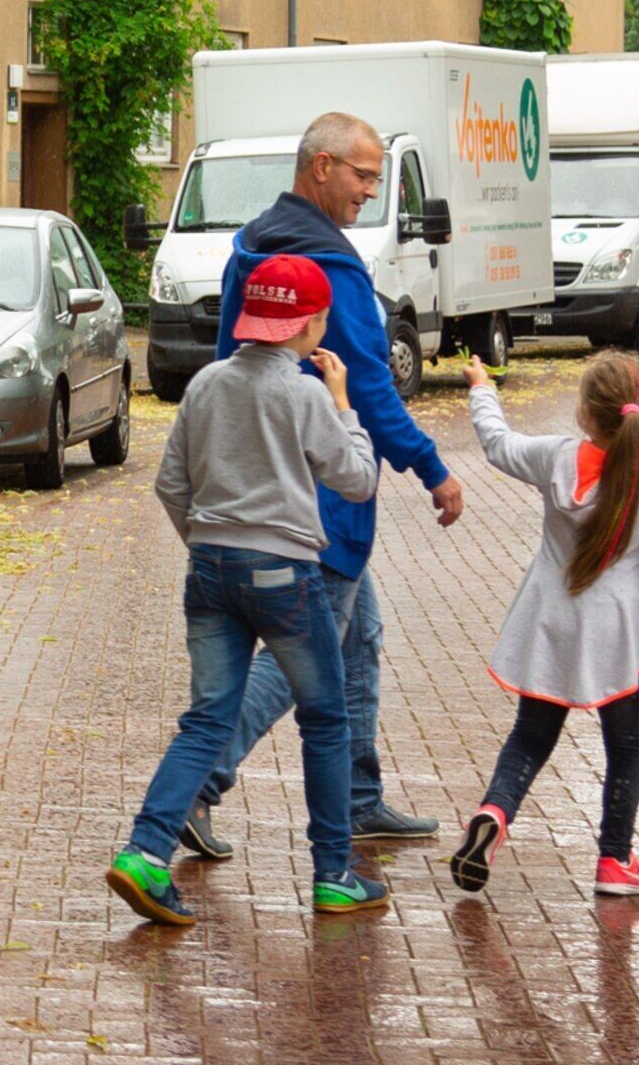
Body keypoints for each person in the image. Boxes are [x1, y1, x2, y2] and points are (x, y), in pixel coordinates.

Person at [171, 112, 466, 863]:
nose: (371, 190)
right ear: (322, 166)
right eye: (364, 176)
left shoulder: (252, 246)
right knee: (299, 658)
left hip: (258, 482)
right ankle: (192, 790)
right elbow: (369, 385)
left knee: (358, 636)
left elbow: (230, 362)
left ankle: (358, 799)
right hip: (321, 502)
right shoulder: (329, 267)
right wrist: (431, 467)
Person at [108, 254, 389, 924]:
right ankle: (333, 874)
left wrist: (208, 543)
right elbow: (358, 480)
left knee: (207, 719)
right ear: (311, 325)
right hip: (284, 574)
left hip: (209, 568)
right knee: (325, 719)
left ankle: (145, 853)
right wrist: (345, 404)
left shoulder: (206, 384)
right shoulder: (305, 393)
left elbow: (170, 484)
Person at [442, 350, 639, 898]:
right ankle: (615, 859)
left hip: (550, 622)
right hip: (618, 638)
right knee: (626, 747)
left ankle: (496, 811)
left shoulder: (554, 458)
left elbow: (497, 443)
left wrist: (481, 388)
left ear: (586, 412)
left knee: (530, 736)